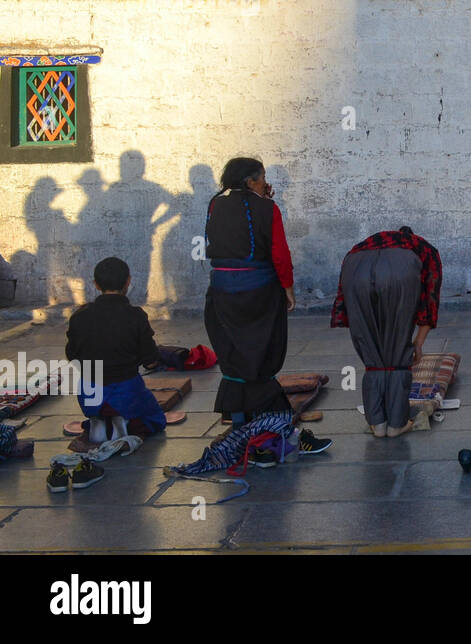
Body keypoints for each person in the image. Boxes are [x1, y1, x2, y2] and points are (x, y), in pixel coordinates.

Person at [172, 158, 328, 475]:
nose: (264, 183)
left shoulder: (215, 203)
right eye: (262, 178)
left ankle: (240, 423)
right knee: (260, 353)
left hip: (220, 292)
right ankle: (264, 431)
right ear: (250, 181)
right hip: (257, 293)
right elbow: (279, 252)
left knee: (234, 355)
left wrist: (262, 199)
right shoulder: (268, 210)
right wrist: (288, 287)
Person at [331, 226, 443, 438]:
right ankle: (396, 424)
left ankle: (378, 424)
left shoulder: (364, 245)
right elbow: (430, 300)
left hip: (354, 271)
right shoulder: (423, 249)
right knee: (397, 348)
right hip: (397, 276)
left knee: (373, 354)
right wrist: (417, 343)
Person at [65, 256, 166, 442]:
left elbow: (72, 356)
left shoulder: (79, 316)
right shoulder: (136, 316)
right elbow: (150, 361)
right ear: (128, 281)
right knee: (156, 420)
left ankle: (100, 421)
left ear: (96, 284)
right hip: (126, 392)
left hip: (89, 395)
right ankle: (124, 422)